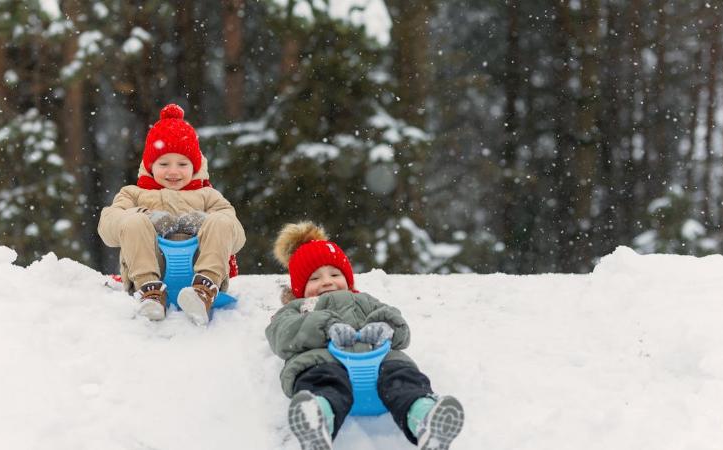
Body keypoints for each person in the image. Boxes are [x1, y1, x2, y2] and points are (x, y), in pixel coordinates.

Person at [265, 222, 464, 450]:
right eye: (315, 278)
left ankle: (426, 419)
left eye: (334, 273)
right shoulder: (299, 307)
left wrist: (384, 326)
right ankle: (317, 422)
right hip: (324, 362)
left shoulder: (363, 301)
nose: (327, 281)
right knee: (321, 381)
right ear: (299, 287)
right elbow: (281, 334)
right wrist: (325, 327)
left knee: (404, 379)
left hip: (377, 362)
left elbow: (399, 327)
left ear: (348, 279)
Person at [98, 104, 245, 324]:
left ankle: (203, 292)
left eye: (182, 164)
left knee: (221, 221)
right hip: (152, 265)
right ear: (150, 165)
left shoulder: (207, 195)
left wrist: (204, 222)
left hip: (199, 266)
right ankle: (151, 293)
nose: (173, 171)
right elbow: (107, 228)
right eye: (164, 163)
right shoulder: (134, 194)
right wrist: (145, 216)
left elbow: (237, 236)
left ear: (194, 166)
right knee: (133, 221)